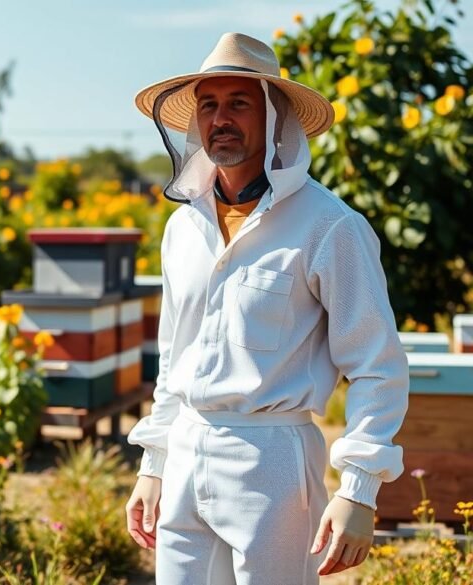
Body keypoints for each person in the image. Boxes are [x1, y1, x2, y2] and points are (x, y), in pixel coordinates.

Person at [123, 33, 409, 584]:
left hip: (273, 464)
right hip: (185, 450)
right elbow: (173, 359)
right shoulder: (184, 227)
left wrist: (359, 489)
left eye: (238, 104)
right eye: (209, 105)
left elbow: (377, 364)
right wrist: (153, 464)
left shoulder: (330, 227)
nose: (220, 119)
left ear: (275, 117)